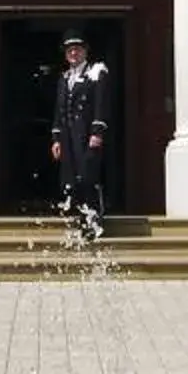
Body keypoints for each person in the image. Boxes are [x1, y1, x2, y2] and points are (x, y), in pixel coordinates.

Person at [49, 30, 112, 232]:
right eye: (70, 50)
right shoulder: (64, 77)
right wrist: (56, 138)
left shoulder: (96, 72)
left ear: (85, 51)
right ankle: (78, 222)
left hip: (86, 134)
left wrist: (97, 131)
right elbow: (59, 110)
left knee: (87, 177)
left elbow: (101, 104)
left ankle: (94, 222)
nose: (73, 53)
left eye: (77, 49)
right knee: (70, 180)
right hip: (68, 136)